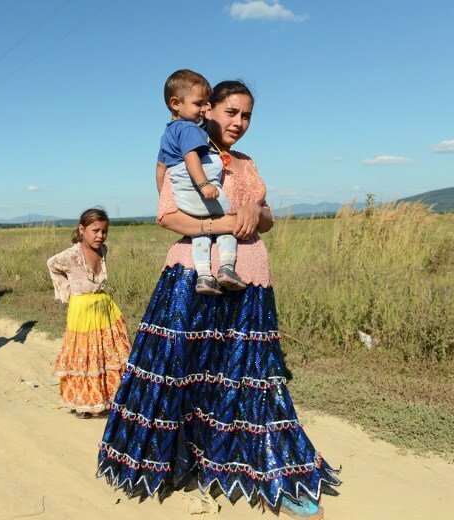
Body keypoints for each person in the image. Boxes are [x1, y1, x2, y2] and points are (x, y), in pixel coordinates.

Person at [97, 81, 338, 519]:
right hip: (194, 275)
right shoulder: (186, 154)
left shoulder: (247, 163)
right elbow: (168, 214)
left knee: (249, 374)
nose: (238, 123)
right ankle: (174, 461)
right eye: (231, 112)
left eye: (246, 115)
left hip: (250, 279)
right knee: (180, 370)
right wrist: (224, 223)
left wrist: (255, 214)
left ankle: (267, 468)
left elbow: (266, 218)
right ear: (208, 111)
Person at [156, 69, 244, 296]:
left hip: (183, 196)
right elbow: (191, 157)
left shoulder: (169, 132)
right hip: (199, 189)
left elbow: (160, 168)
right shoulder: (189, 129)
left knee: (200, 233)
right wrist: (204, 184)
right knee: (227, 223)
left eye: (207, 103)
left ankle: (204, 274)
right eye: (199, 104)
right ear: (175, 103)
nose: (204, 109)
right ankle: (226, 266)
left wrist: (165, 194)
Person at [47, 209, 132, 418]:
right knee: (84, 355)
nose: (100, 236)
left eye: (104, 231)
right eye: (95, 231)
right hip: (82, 310)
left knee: (108, 350)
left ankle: (108, 396)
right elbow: (51, 264)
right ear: (82, 229)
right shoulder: (70, 255)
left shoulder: (104, 250)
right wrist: (66, 290)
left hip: (103, 306)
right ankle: (83, 402)